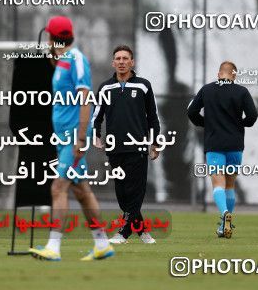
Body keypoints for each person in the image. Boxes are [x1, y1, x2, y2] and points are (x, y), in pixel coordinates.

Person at [29, 16, 115, 261]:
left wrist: (80, 139)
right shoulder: (64, 61)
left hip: (73, 136)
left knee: (58, 187)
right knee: (81, 191)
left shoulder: (77, 59)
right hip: (64, 135)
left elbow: (86, 99)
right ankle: (102, 244)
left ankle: (53, 248)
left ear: (51, 36)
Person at [93, 45, 160, 245]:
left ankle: (123, 232)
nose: (121, 62)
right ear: (113, 62)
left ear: (132, 62)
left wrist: (155, 142)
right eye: (118, 58)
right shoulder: (106, 87)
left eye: (125, 58)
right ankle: (143, 231)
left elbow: (153, 118)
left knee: (135, 191)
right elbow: (97, 116)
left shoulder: (144, 85)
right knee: (123, 194)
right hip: (114, 148)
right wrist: (96, 136)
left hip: (138, 147)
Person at [187, 61, 258, 238]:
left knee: (218, 184)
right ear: (234, 75)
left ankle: (224, 214)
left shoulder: (207, 90)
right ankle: (225, 225)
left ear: (219, 74)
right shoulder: (242, 91)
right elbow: (252, 116)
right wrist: (239, 125)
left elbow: (192, 112)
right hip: (235, 145)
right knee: (230, 185)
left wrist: (205, 123)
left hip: (215, 144)